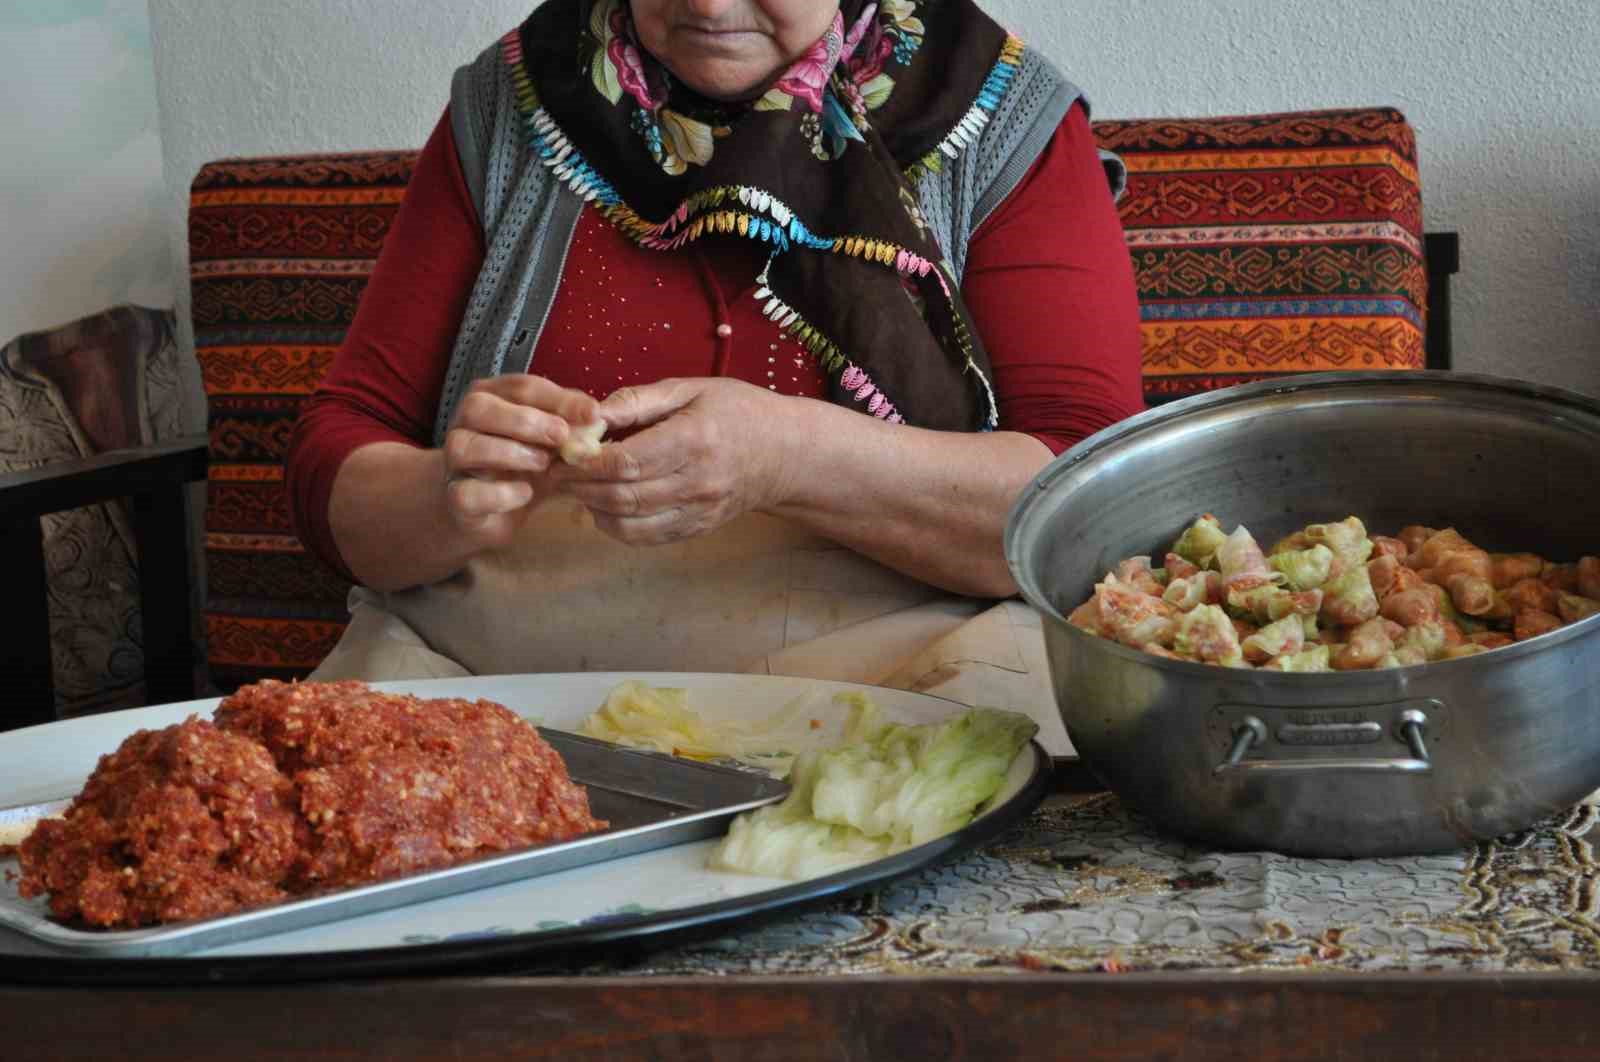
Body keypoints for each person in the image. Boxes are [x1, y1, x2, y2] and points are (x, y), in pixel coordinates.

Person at [286, 0, 1143, 725]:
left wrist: (787, 457)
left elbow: (1090, 509)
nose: (704, 2)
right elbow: (335, 459)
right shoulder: (513, 102)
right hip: (491, 696)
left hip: (892, 702)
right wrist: (446, 497)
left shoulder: (998, 117)